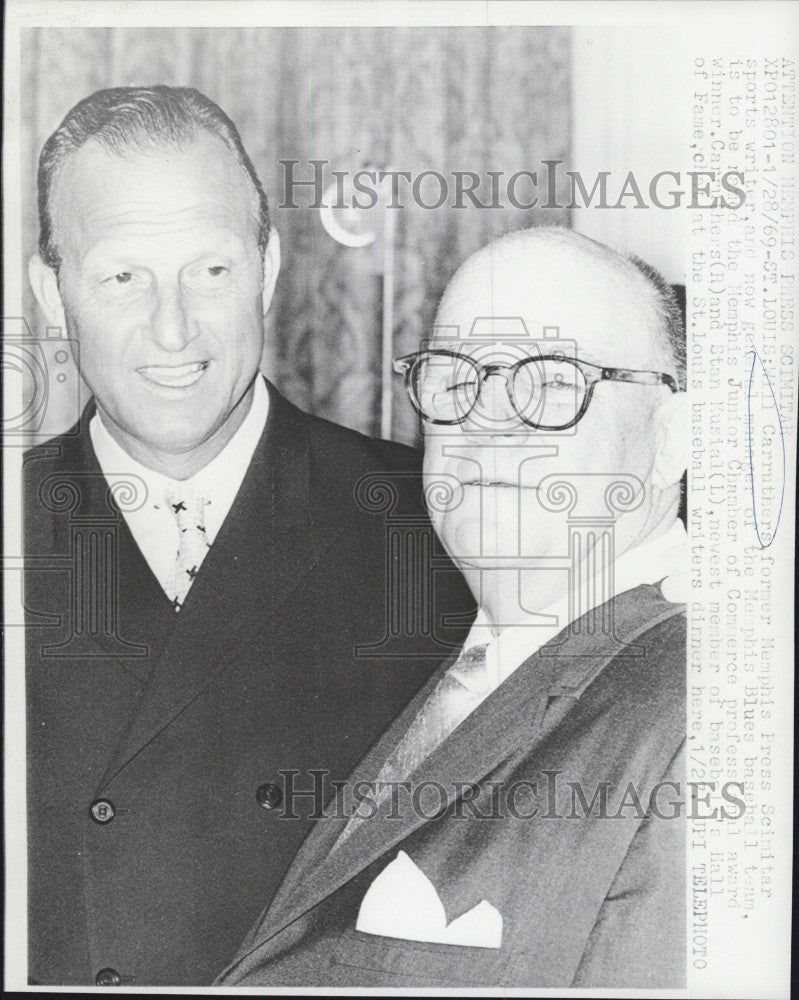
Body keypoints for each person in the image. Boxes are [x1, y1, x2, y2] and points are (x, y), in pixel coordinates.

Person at [23, 85, 472, 987]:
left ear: (266, 271)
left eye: (211, 270)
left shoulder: (435, 526)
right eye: (122, 276)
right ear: (50, 292)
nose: (174, 328)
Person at [217, 227, 688, 989]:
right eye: (455, 375)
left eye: (551, 380)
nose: (484, 421)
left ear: (671, 439)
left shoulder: (694, 714)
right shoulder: (440, 664)